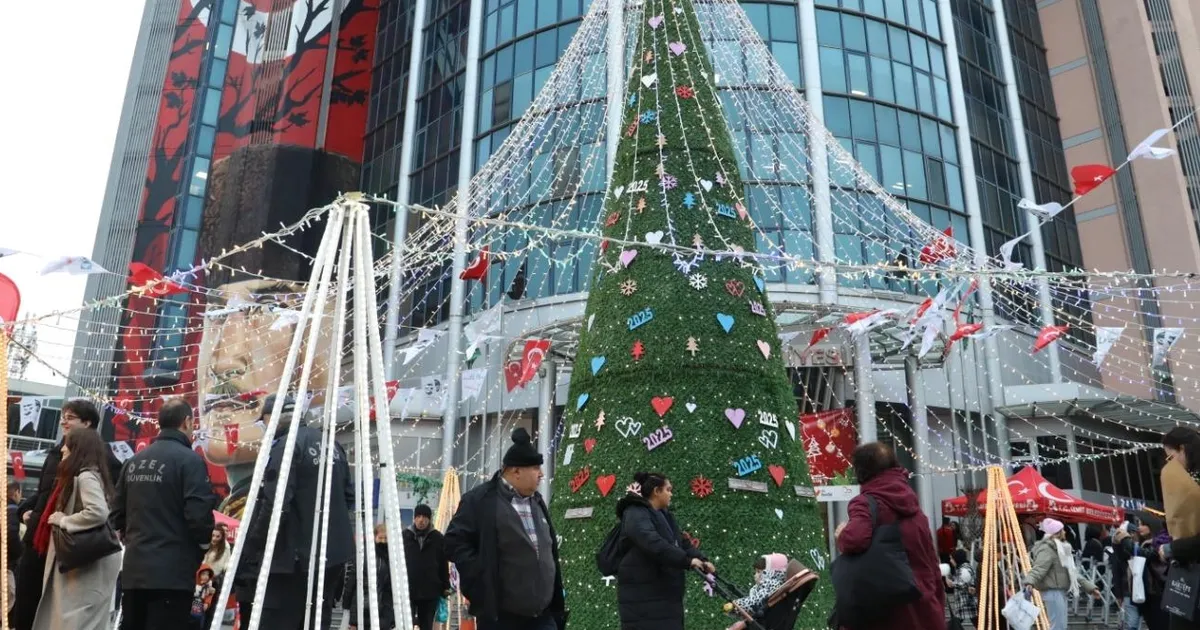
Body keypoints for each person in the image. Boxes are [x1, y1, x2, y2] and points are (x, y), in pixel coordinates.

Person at [235, 394, 353, 629]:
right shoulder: (332, 444)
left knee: (277, 618)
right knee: (317, 619)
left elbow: (276, 504)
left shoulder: (285, 449)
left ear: (272, 418)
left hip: (293, 558)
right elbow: (348, 496)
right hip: (332, 556)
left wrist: (252, 548)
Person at [12, 399, 120, 630]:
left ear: (87, 423)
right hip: (42, 540)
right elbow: (44, 493)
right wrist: (25, 511)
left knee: (61, 614)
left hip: (69, 547)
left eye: (70, 417)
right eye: (63, 416)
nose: (63, 422)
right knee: (31, 605)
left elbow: (99, 511)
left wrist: (66, 521)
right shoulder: (58, 454)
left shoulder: (92, 467)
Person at [444, 428, 566, 630]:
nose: (542, 474)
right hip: (500, 617)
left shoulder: (537, 502)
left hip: (542, 616)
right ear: (516, 471)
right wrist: (480, 575)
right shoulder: (480, 500)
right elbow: (453, 542)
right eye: (536, 468)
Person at [112, 397, 217, 629]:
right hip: (173, 574)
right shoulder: (190, 462)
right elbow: (198, 515)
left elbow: (116, 513)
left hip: (134, 571)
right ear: (187, 422)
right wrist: (201, 546)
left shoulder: (134, 461)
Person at [834, 442, 943, 630]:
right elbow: (932, 564)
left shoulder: (866, 502)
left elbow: (855, 539)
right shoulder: (916, 511)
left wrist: (841, 534)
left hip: (887, 614)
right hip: (925, 610)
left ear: (861, 472)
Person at [615, 472, 713, 630]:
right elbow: (653, 543)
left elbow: (682, 542)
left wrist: (702, 559)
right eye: (668, 489)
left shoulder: (665, 516)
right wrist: (686, 561)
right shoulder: (635, 513)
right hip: (645, 600)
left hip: (663, 598)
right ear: (656, 491)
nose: (671, 494)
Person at [1024, 518, 1101, 630]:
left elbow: (1072, 573)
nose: (1065, 532)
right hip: (1052, 592)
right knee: (1057, 626)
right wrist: (1029, 582)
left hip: (1058, 592)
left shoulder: (1060, 549)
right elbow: (1039, 568)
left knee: (1060, 626)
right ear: (1058, 533)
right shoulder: (1048, 549)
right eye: (1062, 530)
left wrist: (1091, 588)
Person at [404, 504, 450, 630]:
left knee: (427, 624)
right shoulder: (405, 536)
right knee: (407, 623)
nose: (421, 520)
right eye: (418, 516)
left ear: (430, 519)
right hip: (408, 588)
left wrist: (445, 586)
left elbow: (443, 563)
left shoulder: (438, 538)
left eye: (424, 516)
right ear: (414, 518)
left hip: (430, 590)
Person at [346, 524, 395, 630]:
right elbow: (353, 581)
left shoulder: (393, 558)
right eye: (381, 538)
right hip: (365, 607)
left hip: (382, 609)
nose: (383, 541)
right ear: (375, 537)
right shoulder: (365, 555)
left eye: (386, 538)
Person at [722, 553, 786, 622]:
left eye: (758, 572)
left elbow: (755, 602)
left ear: (769, 573)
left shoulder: (773, 585)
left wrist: (735, 606)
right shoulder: (766, 587)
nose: (755, 575)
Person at [202, 525, 231, 629]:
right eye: (213, 535)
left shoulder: (225, 548)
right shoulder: (206, 544)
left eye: (217, 536)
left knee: (209, 611)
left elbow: (225, 565)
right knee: (196, 611)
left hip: (213, 582)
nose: (214, 538)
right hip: (200, 581)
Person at [945, 549, 976, 630]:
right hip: (965, 603)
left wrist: (952, 584)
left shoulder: (964, 569)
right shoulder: (961, 567)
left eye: (952, 558)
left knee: (953, 625)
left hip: (966, 603)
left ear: (957, 558)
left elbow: (963, 582)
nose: (951, 561)